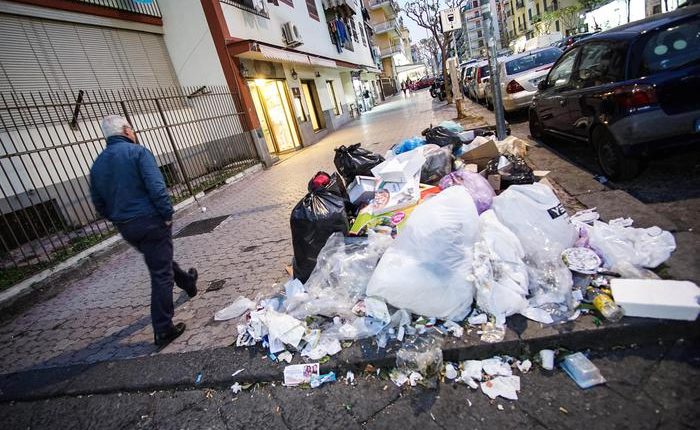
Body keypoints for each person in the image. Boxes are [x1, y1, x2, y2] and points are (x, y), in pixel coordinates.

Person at [90, 115, 198, 348]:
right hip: (150, 221)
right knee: (160, 274)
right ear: (127, 131)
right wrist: (167, 214)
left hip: (127, 227)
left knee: (159, 260)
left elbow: (98, 202)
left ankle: (188, 283)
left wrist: (118, 218)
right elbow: (157, 187)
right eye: (132, 129)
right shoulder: (138, 152)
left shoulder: (98, 164)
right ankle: (163, 330)